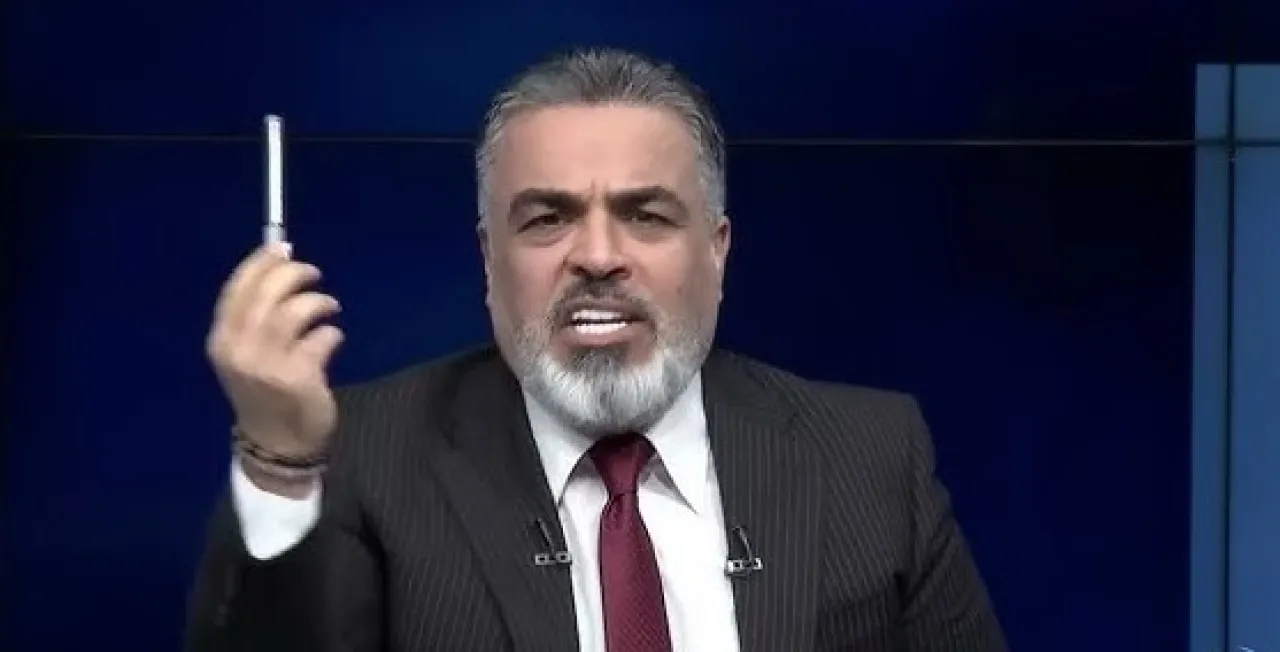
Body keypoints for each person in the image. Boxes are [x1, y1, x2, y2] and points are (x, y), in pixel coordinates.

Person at [185, 47, 1006, 652]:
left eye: (646, 215)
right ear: (489, 261)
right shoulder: (365, 455)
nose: (599, 256)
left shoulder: (871, 456)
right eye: (549, 219)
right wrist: (281, 464)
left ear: (716, 251)